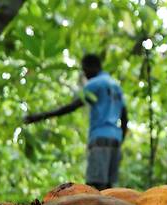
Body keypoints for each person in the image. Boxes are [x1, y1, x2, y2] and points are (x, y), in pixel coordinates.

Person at [24, 54, 128, 190]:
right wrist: (120, 139)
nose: (85, 74)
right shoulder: (116, 86)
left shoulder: (95, 83)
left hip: (99, 137)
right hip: (116, 138)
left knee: (95, 186)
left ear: (93, 67)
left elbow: (72, 106)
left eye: (85, 70)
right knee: (109, 188)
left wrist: (40, 116)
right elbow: (125, 117)